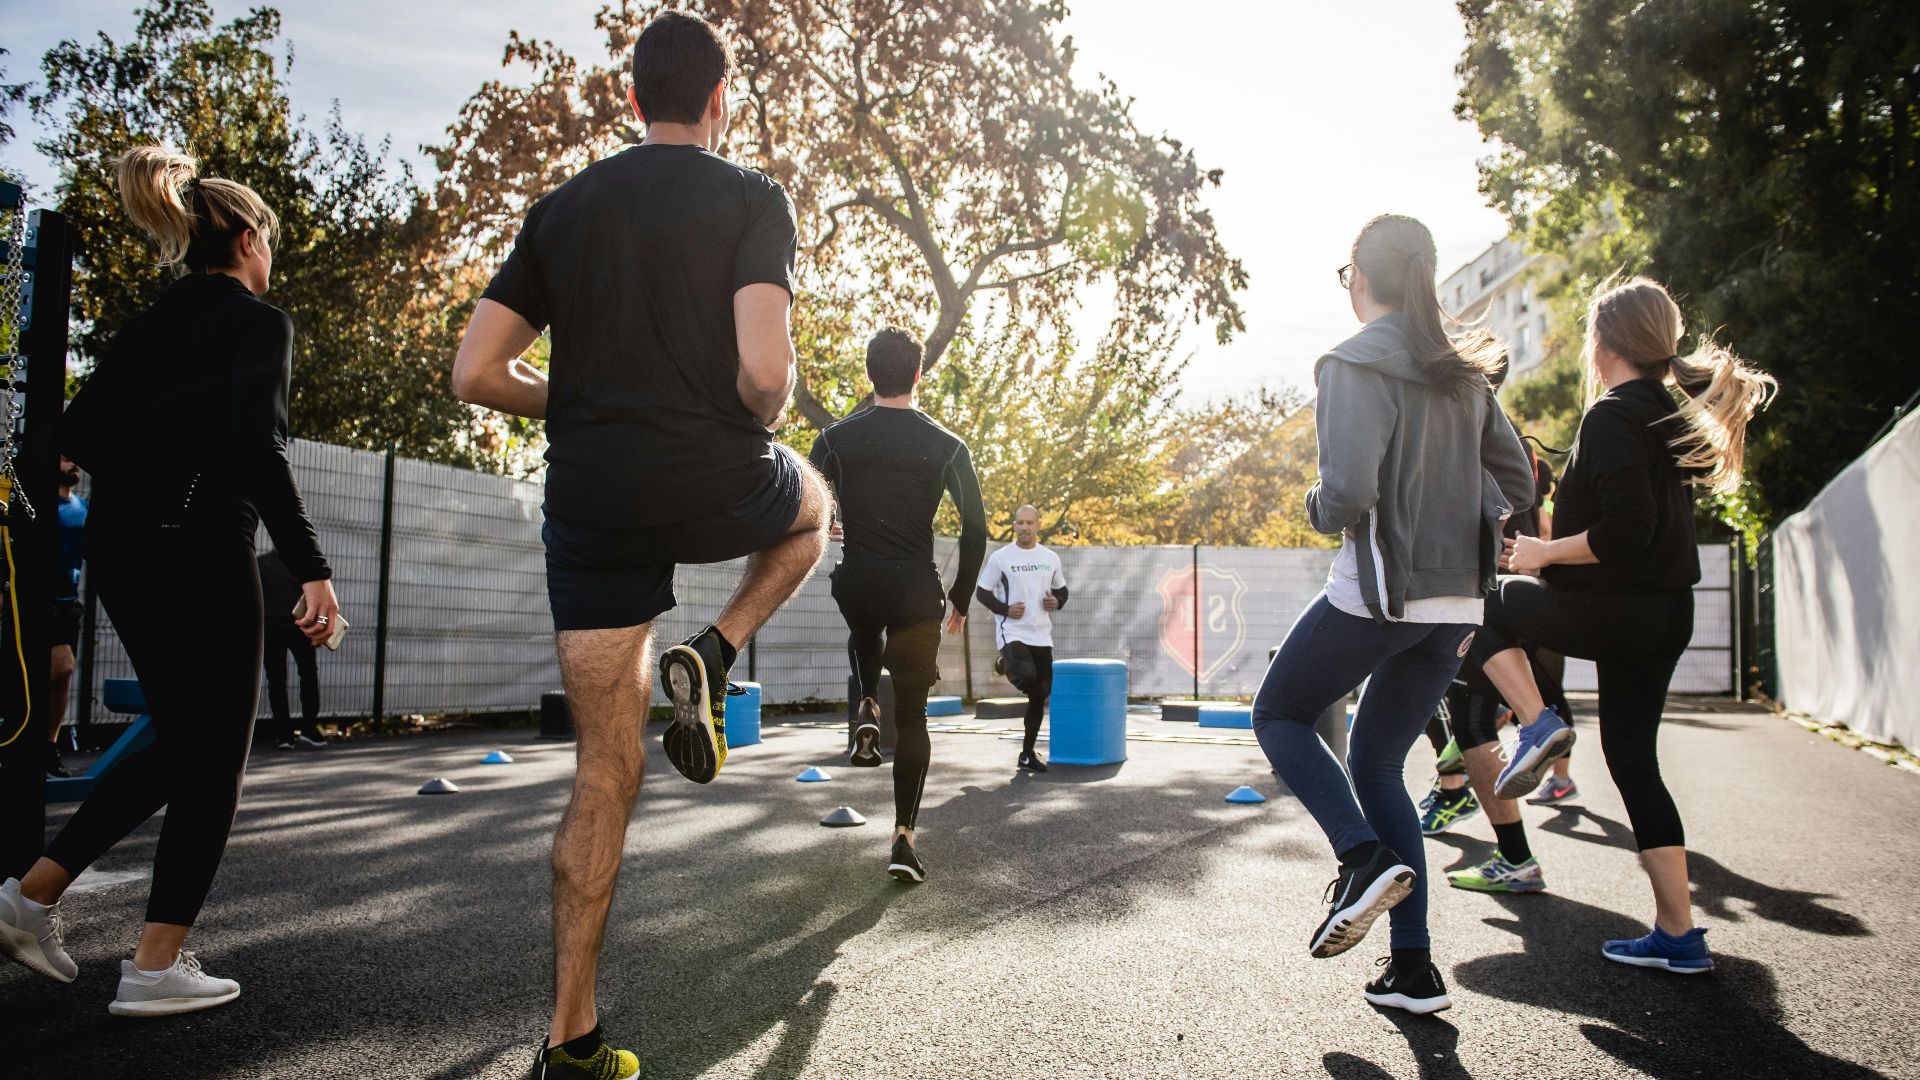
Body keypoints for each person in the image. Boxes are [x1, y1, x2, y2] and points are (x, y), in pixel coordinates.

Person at [450, 13, 828, 1077]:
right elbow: (764, 374)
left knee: (602, 774)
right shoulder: (754, 197)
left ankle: (572, 1043)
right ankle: (714, 650)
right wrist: (762, 411)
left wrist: (578, 398)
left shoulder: (562, 209)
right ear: (721, 103)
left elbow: (477, 373)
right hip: (715, 475)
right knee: (815, 511)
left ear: (631, 102)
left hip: (592, 504)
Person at [0, 146, 340, 1016]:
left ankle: (30, 897)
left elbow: (75, 433)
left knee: (181, 740)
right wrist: (313, 570)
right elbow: (257, 451)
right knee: (214, 756)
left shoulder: (155, 322)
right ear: (248, 238)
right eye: (272, 240)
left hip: (125, 552)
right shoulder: (259, 323)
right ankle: (153, 965)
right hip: (200, 551)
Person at [1247, 214, 1534, 1016]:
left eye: (1346, 276)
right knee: (1376, 765)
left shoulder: (1350, 362)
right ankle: (1414, 970)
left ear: (1361, 279)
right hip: (1455, 605)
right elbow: (1518, 480)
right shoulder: (1466, 375)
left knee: (1279, 712)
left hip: (1380, 593)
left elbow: (1346, 496)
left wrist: (1311, 502)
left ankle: (1359, 855)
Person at [1476, 276, 1775, 974]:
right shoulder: (1663, 412)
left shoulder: (1612, 415)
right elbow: (1632, 526)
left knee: (1484, 606)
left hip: (1618, 609)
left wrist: (1545, 553)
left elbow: (1626, 532)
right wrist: (1556, 550)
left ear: (1603, 343)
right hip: (1663, 613)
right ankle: (1678, 934)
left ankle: (1537, 722)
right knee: (1634, 763)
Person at [809, 327, 987, 884]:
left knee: (863, 622)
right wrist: (960, 597)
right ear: (918, 373)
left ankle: (864, 702)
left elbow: (805, 501)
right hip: (916, 590)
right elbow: (977, 529)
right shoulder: (948, 444)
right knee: (913, 717)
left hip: (860, 580)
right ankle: (903, 838)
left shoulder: (836, 439)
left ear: (869, 373)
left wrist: (830, 521)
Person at [975, 504, 1068, 771]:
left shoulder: (1050, 558)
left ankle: (1026, 754)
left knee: (1041, 693)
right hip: (1012, 632)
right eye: (1020, 523)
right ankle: (1008, 662)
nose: (1025, 527)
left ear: (1038, 525)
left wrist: (1056, 602)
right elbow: (982, 592)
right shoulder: (1001, 558)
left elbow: (1062, 591)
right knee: (1027, 677)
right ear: (1014, 526)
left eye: (1030, 523)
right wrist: (1005, 610)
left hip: (1041, 635)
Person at [257, 548, 326, 750]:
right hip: (299, 628)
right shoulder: (304, 564)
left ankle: (284, 734)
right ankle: (309, 729)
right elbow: (318, 600)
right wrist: (320, 625)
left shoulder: (262, 564)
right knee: (308, 676)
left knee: (277, 681)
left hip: (273, 628)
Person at [45, 457, 87, 779]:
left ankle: (48, 748)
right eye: (66, 457)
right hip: (36, 602)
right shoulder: (31, 505)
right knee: (62, 665)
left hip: (68, 602)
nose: (74, 464)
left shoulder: (81, 508)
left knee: (62, 678)